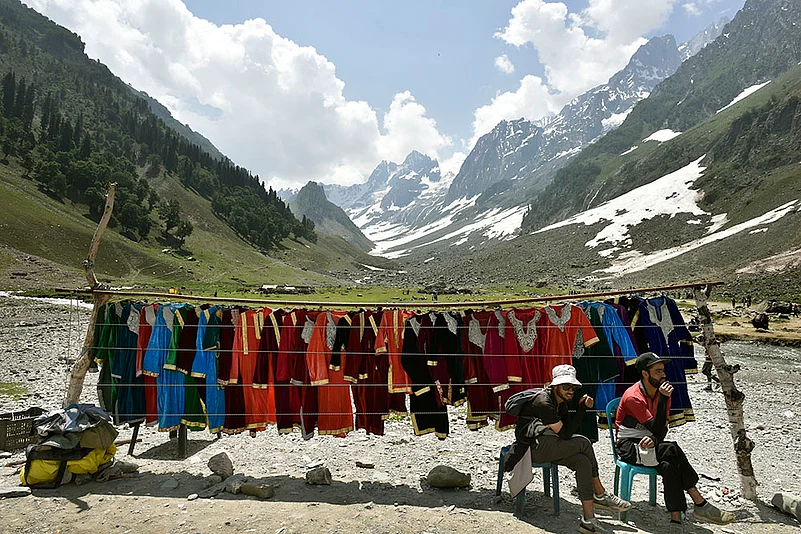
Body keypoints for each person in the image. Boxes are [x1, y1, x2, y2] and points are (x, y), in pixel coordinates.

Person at [615, 353, 735, 532]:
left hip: (652, 444)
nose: (663, 375)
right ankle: (699, 502)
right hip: (629, 447)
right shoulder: (634, 397)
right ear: (645, 374)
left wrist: (656, 438)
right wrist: (662, 404)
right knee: (671, 448)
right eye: (657, 371)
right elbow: (656, 428)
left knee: (668, 464)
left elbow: (662, 428)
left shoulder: (663, 392)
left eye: (663, 370)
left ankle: (675, 520)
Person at [505, 364, 630, 533]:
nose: (570, 390)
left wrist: (580, 408)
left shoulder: (560, 401)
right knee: (583, 442)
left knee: (582, 461)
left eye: (573, 387)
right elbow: (565, 434)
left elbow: (569, 430)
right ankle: (600, 493)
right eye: (566, 387)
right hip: (531, 448)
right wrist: (582, 409)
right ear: (555, 386)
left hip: (548, 444)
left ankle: (589, 520)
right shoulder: (544, 402)